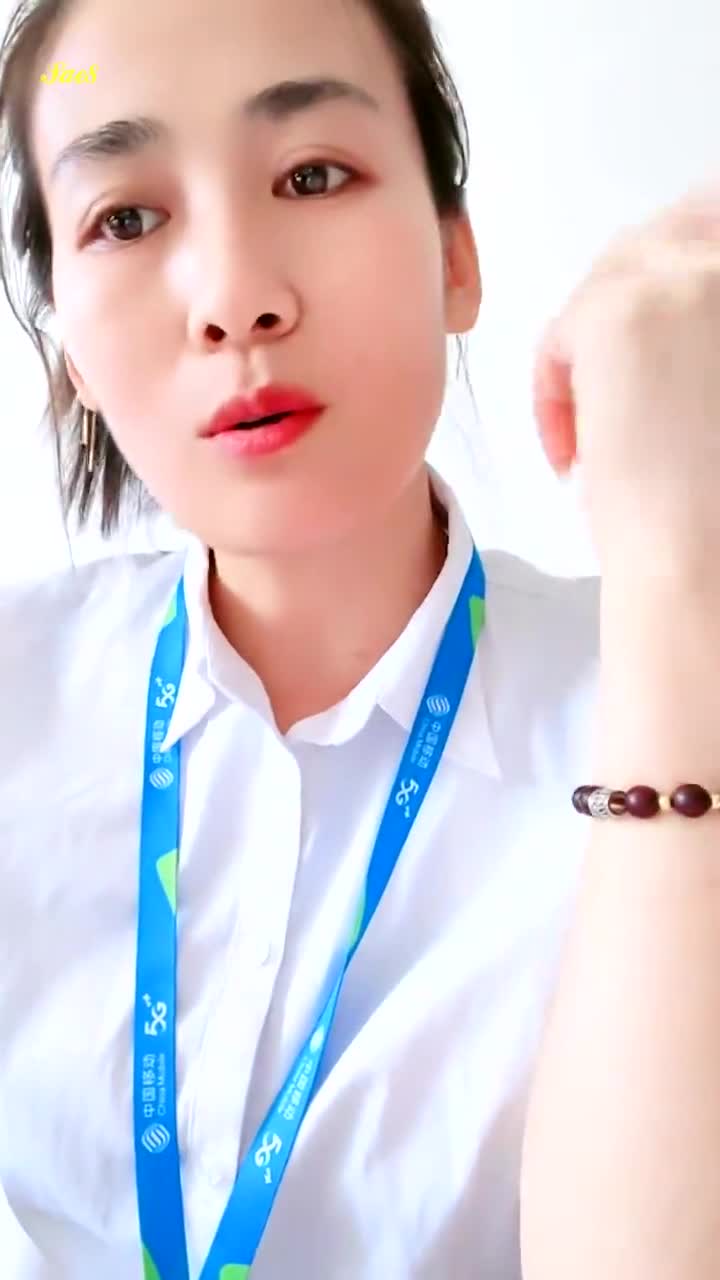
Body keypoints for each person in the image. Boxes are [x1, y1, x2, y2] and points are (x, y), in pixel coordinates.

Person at [2, 0, 720, 1277]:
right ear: (73, 358)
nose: (234, 299)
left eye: (312, 175)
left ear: (456, 256)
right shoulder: (21, 698)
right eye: (127, 217)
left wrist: (676, 552)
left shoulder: (664, 703)